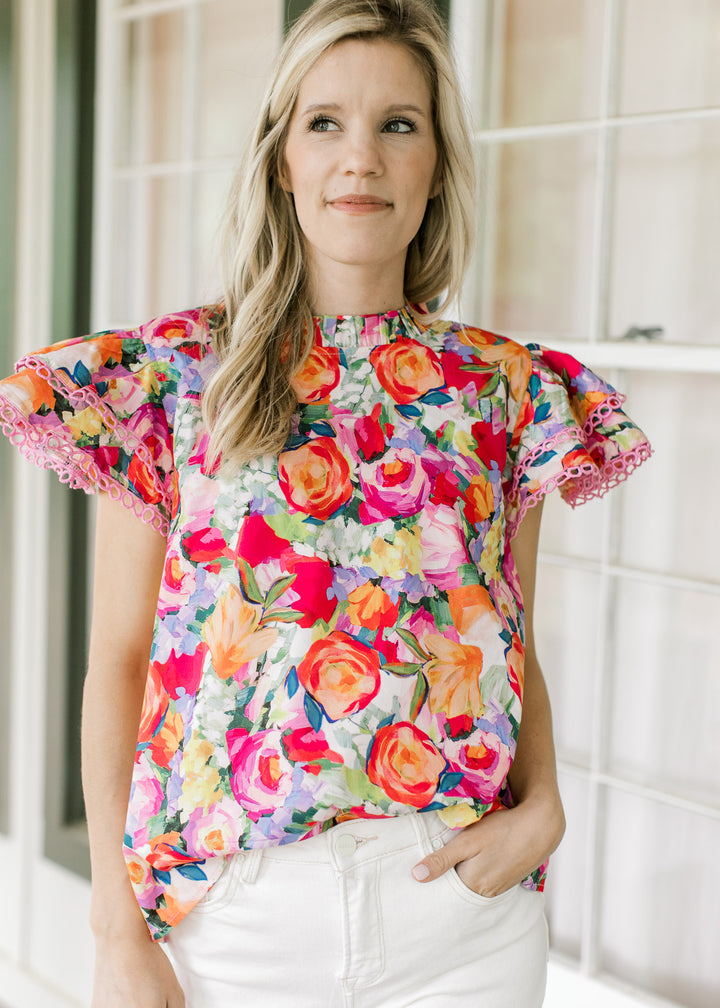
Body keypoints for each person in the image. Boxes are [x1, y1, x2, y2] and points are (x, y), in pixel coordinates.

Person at [0, 1, 652, 1006]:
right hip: (236, 923)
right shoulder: (178, 377)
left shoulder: (506, 392)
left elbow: (510, 637)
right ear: (282, 161)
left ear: (436, 163)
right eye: (325, 124)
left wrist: (549, 801)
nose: (362, 158)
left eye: (399, 123)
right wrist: (114, 932)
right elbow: (120, 659)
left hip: (462, 921)